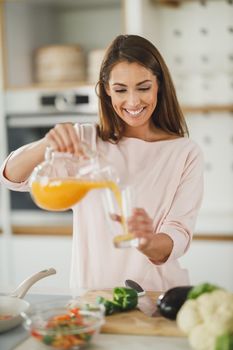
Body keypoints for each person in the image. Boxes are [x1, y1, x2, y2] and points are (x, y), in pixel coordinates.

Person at [0, 35, 203, 292]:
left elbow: (179, 233)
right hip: (92, 298)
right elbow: (9, 176)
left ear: (159, 85)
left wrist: (147, 242)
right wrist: (46, 144)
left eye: (143, 87)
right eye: (120, 90)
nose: (133, 102)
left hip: (156, 297)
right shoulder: (86, 141)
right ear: (107, 90)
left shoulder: (184, 152)